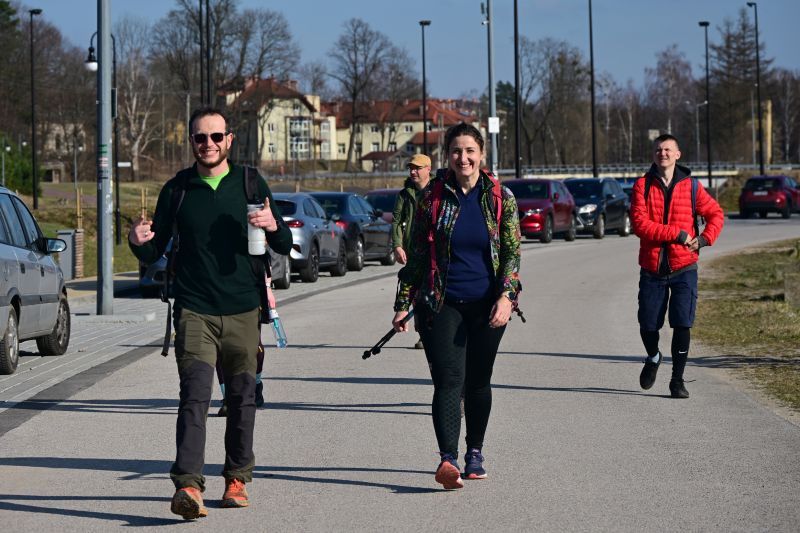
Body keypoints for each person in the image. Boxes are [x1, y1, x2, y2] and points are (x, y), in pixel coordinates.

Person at [129, 107, 292, 520]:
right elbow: (154, 251)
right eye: (200, 138)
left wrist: (274, 225)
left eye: (216, 137)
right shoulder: (177, 189)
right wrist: (137, 242)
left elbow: (284, 244)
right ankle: (188, 485)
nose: (208, 145)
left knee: (241, 399)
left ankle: (237, 477)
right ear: (191, 142)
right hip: (194, 311)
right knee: (194, 396)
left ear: (230, 140)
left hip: (243, 310)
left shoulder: (250, 183)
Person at [392, 122, 521, 490]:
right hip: (441, 302)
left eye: (469, 151)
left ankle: (474, 452)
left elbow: (512, 253)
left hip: (487, 304)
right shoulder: (432, 197)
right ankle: (447, 459)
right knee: (449, 380)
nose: (462, 158)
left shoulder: (499, 197)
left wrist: (506, 297)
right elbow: (417, 255)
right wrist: (403, 303)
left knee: (478, 382)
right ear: (446, 156)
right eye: (455, 151)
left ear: (481, 154)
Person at [631, 133, 724, 399]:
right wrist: (677, 234)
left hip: (684, 267)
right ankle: (653, 356)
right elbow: (640, 225)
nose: (663, 153)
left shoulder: (692, 187)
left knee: (682, 323)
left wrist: (705, 239)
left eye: (668, 149)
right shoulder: (642, 186)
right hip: (652, 268)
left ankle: (677, 381)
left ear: (678, 154)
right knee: (648, 325)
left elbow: (716, 214)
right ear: (653, 154)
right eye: (659, 150)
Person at [216, 277, 275, 417]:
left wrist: (267, 288)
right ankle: (228, 398)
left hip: (249, 290)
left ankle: (256, 384)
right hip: (216, 290)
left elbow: (263, 257)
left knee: (254, 348)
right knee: (219, 347)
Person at [392, 153, 432, 350]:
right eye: (411, 168)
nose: (413, 171)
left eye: (417, 168)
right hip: (413, 252)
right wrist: (398, 245)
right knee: (415, 295)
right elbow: (397, 221)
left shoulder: (436, 192)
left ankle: (435, 331)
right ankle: (423, 334)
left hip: (434, 252)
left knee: (432, 293)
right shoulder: (405, 194)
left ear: (428, 169)